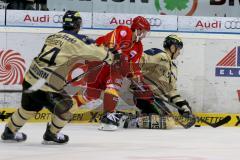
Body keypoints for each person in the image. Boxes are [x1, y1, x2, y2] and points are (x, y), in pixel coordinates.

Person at [1, 10, 114, 144]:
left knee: (29, 108)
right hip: (46, 85)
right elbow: (95, 52)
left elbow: (77, 44)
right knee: (68, 107)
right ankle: (51, 135)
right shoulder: (78, 42)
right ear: (78, 24)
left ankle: (9, 132)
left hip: (30, 79)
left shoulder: (53, 36)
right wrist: (110, 56)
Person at [73, 16, 151, 131]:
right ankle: (66, 108)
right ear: (138, 29)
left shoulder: (139, 47)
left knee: (114, 83)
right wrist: (119, 54)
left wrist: (140, 83)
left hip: (113, 67)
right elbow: (110, 42)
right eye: (144, 32)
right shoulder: (125, 31)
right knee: (91, 94)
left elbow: (133, 67)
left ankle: (108, 116)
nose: (145, 35)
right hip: (98, 60)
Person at [126, 34, 193, 129]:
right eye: (179, 49)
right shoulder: (159, 55)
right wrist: (138, 82)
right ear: (173, 48)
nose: (179, 52)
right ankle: (130, 121)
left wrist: (183, 106)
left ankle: (138, 117)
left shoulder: (173, 68)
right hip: (144, 96)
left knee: (167, 121)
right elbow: (136, 61)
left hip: (155, 99)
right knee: (168, 122)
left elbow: (171, 91)